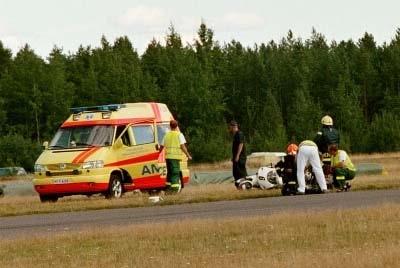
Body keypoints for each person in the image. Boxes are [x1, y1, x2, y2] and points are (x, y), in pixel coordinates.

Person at [159, 120, 192, 193]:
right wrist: (188, 155)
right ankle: (174, 191)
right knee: (175, 173)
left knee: (170, 173)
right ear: (177, 126)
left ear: (170, 126)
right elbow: (183, 146)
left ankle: (168, 189)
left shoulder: (166, 135)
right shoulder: (179, 135)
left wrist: (157, 153)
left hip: (168, 158)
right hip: (175, 158)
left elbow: (161, 147)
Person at [229, 120, 247, 189]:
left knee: (241, 173)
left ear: (234, 127)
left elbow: (241, 144)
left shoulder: (239, 133)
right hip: (236, 157)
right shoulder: (236, 135)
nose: (230, 129)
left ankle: (244, 186)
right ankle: (239, 187)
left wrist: (237, 156)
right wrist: (233, 156)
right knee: (235, 172)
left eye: (230, 127)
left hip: (240, 157)